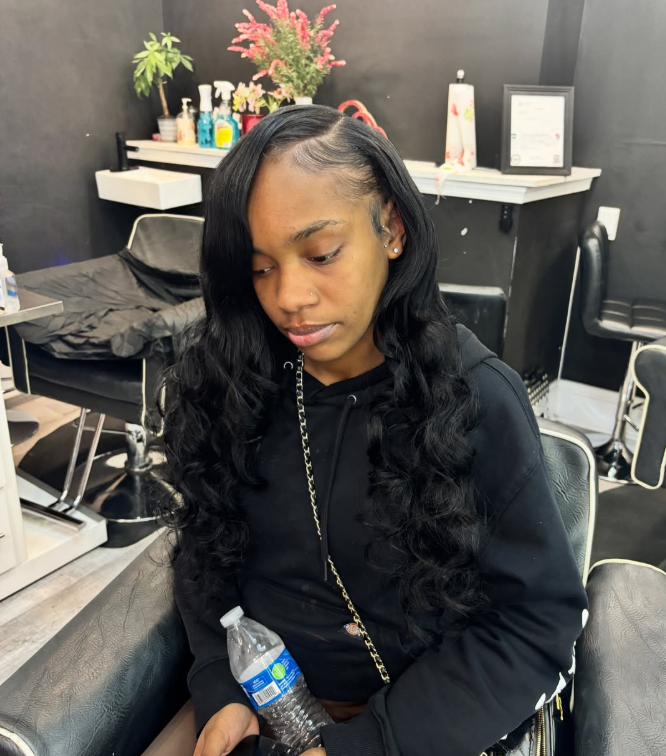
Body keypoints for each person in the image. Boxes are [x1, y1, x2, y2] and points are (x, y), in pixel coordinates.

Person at [163, 105, 588, 756]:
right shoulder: (232, 382)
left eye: (321, 252)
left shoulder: (476, 397)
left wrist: (368, 743)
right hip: (255, 713)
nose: (289, 297)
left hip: (418, 728)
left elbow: (535, 622)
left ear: (390, 228)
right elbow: (204, 554)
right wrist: (218, 686)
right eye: (260, 266)